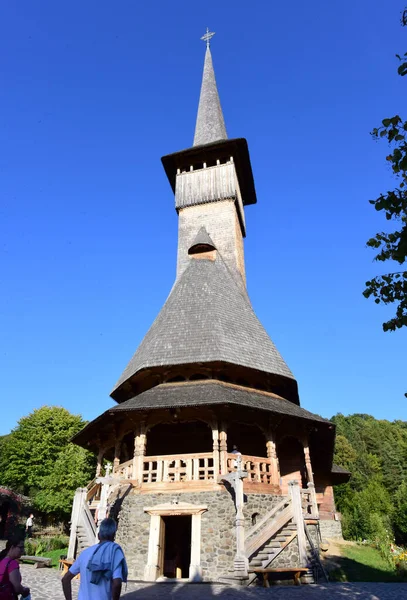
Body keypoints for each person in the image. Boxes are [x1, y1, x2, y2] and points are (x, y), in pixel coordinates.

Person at [62, 518, 127, 600]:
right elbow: (117, 583)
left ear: (98, 535)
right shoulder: (114, 553)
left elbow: (65, 579)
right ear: (114, 536)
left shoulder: (85, 553)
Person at [0, 535, 30, 599]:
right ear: (12, 547)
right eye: (21, 547)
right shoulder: (11, 563)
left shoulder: (1, 559)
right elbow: (17, 588)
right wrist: (25, 590)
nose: (23, 551)